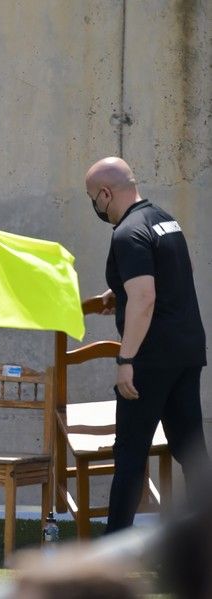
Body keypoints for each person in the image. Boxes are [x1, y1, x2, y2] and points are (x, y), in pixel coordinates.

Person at [84, 156, 209, 534]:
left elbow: (145, 298)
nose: (96, 206)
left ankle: (110, 552)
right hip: (186, 351)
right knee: (192, 453)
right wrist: (119, 291)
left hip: (151, 360)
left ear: (105, 193)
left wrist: (126, 359)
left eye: (94, 198)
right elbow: (166, 277)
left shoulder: (127, 233)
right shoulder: (163, 220)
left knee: (130, 456)